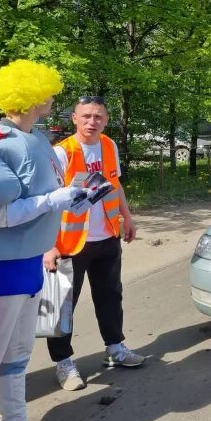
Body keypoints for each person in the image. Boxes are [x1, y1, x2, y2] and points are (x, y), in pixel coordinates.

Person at [0, 60, 81, 421]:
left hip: (29, 265)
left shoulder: (36, 139)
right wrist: (50, 202)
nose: (54, 99)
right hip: (1, 272)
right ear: (34, 97)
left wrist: (70, 198)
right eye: (49, 94)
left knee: (17, 358)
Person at [47, 96, 144, 392]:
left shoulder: (109, 146)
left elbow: (115, 184)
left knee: (111, 296)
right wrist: (48, 247)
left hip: (108, 238)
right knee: (63, 306)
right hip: (70, 244)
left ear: (106, 119)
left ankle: (115, 348)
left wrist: (127, 217)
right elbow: (48, 204)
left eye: (98, 116)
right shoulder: (61, 153)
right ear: (74, 118)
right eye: (86, 116)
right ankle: (63, 363)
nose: (92, 122)